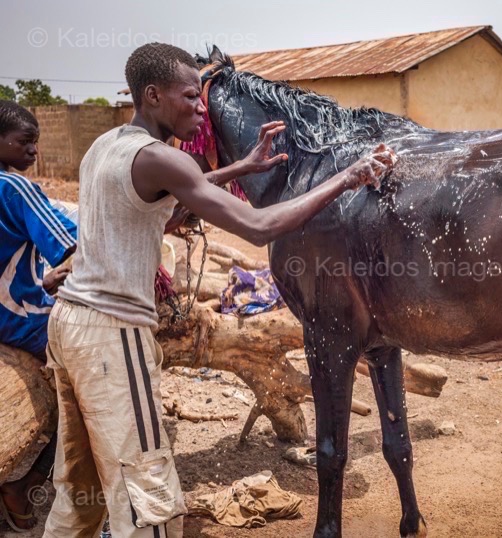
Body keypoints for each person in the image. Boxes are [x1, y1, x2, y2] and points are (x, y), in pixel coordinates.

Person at [44, 42, 395, 538]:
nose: (200, 107)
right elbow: (256, 226)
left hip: (69, 324)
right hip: (111, 337)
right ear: (152, 95)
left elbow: (175, 196)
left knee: (79, 495)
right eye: (189, 96)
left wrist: (243, 168)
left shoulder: (109, 146)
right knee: (153, 502)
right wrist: (346, 177)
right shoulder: (160, 158)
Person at [0, 100, 77, 532]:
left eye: (36, 142)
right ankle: (27, 484)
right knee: (94, 391)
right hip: (20, 316)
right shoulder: (15, 188)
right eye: (24, 142)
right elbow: (75, 248)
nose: (34, 152)